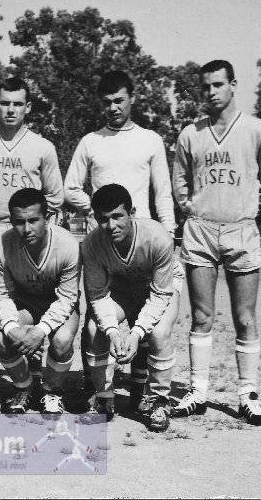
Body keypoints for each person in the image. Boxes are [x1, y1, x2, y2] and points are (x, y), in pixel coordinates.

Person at [62, 70, 182, 411]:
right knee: (99, 316)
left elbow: (163, 193)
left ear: (132, 99)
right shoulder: (91, 141)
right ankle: (97, 385)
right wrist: (101, 211)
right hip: (105, 241)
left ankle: (142, 387)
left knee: (148, 313)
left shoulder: (150, 139)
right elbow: (70, 188)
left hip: (144, 237)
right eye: (107, 102)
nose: (113, 108)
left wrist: (168, 234)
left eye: (119, 100)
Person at [171, 59, 261, 425]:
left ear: (233, 85)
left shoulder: (258, 130)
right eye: (205, 86)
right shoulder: (190, 134)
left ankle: (248, 395)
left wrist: (247, 209)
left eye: (218, 84)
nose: (211, 92)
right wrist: (194, 209)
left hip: (241, 230)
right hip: (201, 231)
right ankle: (198, 391)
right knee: (202, 315)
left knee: (244, 317)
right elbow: (180, 185)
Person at [80, 184, 178, 431]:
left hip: (158, 287)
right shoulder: (91, 244)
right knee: (94, 328)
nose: (111, 225)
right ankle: (104, 398)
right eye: (103, 219)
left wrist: (136, 332)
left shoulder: (158, 237)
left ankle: (159, 400)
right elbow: (98, 295)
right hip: (123, 286)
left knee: (159, 332)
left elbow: (160, 293)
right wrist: (113, 331)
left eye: (117, 216)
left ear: (132, 213)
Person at [0, 188, 80, 417]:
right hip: (26, 303)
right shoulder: (1, 246)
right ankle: (24, 387)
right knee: (3, 338)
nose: (27, 229)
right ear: (11, 221)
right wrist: (12, 329)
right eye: (19, 222)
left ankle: (52, 390)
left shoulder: (68, 245)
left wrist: (40, 331)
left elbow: (67, 298)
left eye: (33, 220)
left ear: (47, 218)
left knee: (62, 340)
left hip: (58, 302)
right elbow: (2, 295)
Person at [0, 77, 64, 241]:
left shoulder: (43, 147)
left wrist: (33, 218)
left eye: (18, 104)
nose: (11, 110)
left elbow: (55, 197)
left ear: (28, 107)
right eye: (5, 103)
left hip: (27, 231)